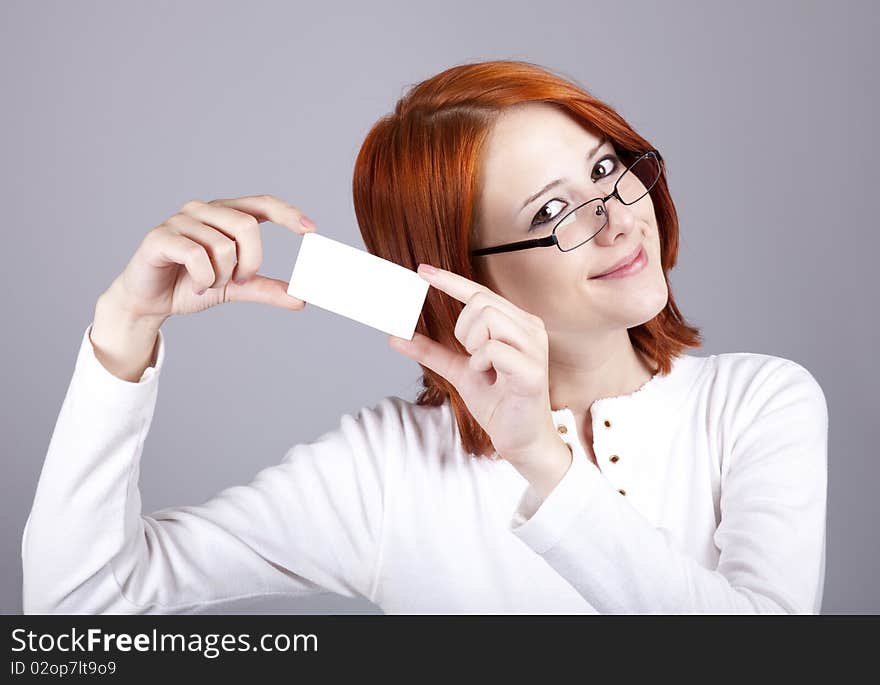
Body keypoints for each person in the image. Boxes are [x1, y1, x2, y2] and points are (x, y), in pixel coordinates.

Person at [21, 60, 828, 614]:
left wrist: (544, 463)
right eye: (552, 212)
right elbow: (81, 605)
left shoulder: (758, 403)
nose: (621, 216)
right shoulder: (386, 471)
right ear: (455, 274)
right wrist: (122, 330)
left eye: (608, 167)